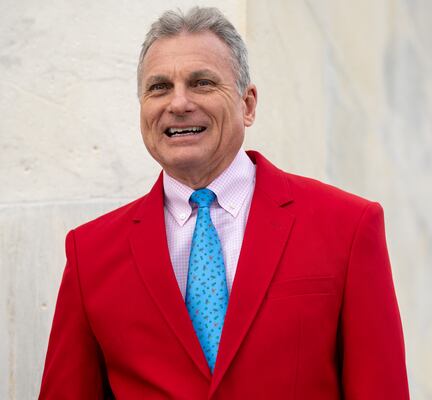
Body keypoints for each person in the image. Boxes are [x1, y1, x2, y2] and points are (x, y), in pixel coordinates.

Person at [39, 7, 409, 399]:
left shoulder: (348, 226)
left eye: (201, 83)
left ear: (247, 105)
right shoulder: (90, 254)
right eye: (159, 87)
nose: (178, 103)